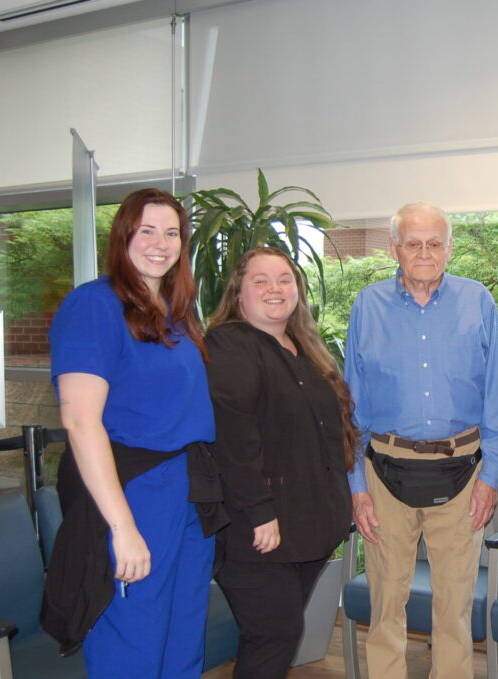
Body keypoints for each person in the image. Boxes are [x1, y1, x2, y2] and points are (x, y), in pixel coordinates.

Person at [44, 188, 217, 677]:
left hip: (187, 488)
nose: (160, 243)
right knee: (134, 645)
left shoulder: (177, 312)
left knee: (183, 641)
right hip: (134, 490)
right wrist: (122, 528)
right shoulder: (94, 306)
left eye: (172, 233)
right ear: (124, 237)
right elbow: (80, 421)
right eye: (147, 230)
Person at [345, 201, 498, 679]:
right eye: (413, 243)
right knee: (385, 608)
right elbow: (351, 407)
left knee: (455, 612)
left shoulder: (478, 301)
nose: (424, 252)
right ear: (395, 248)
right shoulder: (368, 305)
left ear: (450, 249)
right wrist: (357, 487)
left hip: (464, 476)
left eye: (434, 243)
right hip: (383, 475)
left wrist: (492, 477)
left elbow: (497, 398)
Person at [204, 246, 355, 679]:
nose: (275, 289)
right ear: (238, 293)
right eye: (261, 280)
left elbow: (326, 437)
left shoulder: (304, 348)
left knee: (272, 640)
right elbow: (233, 437)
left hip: (307, 530)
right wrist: (259, 511)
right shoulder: (229, 344)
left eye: (285, 279)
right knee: (275, 636)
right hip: (258, 532)